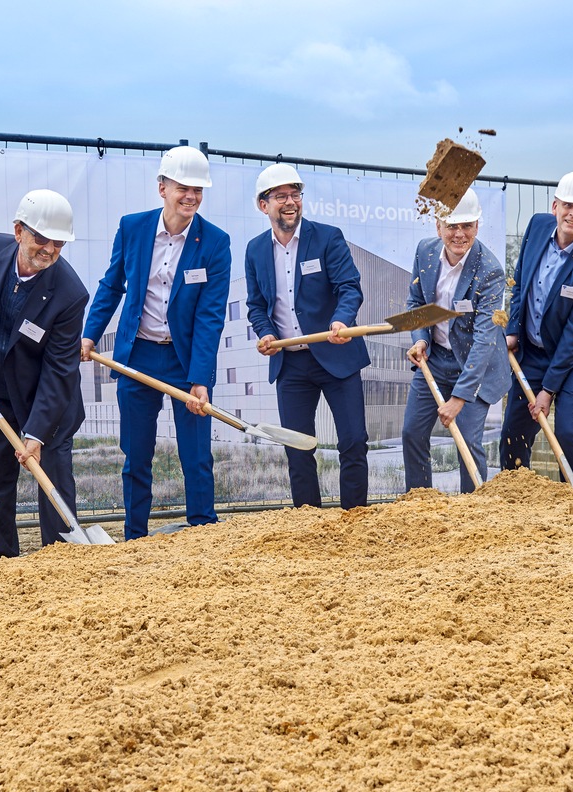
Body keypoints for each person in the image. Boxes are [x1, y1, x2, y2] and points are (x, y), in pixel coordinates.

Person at [80, 146, 231, 540]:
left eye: (198, 190)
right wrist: (91, 333)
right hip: (138, 357)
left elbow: (210, 316)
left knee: (196, 455)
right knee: (137, 454)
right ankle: (135, 537)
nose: (191, 197)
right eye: (183, 188)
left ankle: (203, 532)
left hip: (185, 363)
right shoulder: (133, 228)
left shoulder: (215, 242)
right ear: (162, 187)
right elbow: (112, 285)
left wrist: (200, 379)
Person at [0, 190, 89, 553]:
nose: (49, 250)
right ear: (18, 231)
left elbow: (60, 370)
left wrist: (38, 434)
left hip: (48, 406)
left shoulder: (70, 293)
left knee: (52, 486)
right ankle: (3, 559)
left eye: (58, 243)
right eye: (41, 239)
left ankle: (60, 562)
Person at [244, 163, 370, 509]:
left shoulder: (327, 237)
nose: (290, 202)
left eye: (295, 194)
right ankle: (307, 521)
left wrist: (343, 320)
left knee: (353, 442)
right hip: (291, 365)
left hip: (336, 356)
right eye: (281, 196)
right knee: (298, 447)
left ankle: (356, 520)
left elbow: (349, 288)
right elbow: (256, 305)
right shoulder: (255, 251)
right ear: (263, 204)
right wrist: (266, 332)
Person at [500, 171, 573, 488]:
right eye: (568, 205)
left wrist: (547, 391)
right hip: (533, 352)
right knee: (514, 430)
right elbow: (520, 281)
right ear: (555, 206)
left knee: (565, 431)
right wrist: (513, 330)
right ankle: (513, 496)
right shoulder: (537, 227)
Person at [401, 189, 509, 493]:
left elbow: (486, 339)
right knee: (412, 433)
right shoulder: (425, 251)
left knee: (467, 441)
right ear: (438, 227)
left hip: (476, 365)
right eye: (452, 226)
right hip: (435, 360)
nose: (459, 234)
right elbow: (416, 303)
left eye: (467, 226)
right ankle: (421, 502)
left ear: (477, 225)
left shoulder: (489, 271)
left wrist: (459, 398)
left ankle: (472, 513)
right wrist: (420, 339)